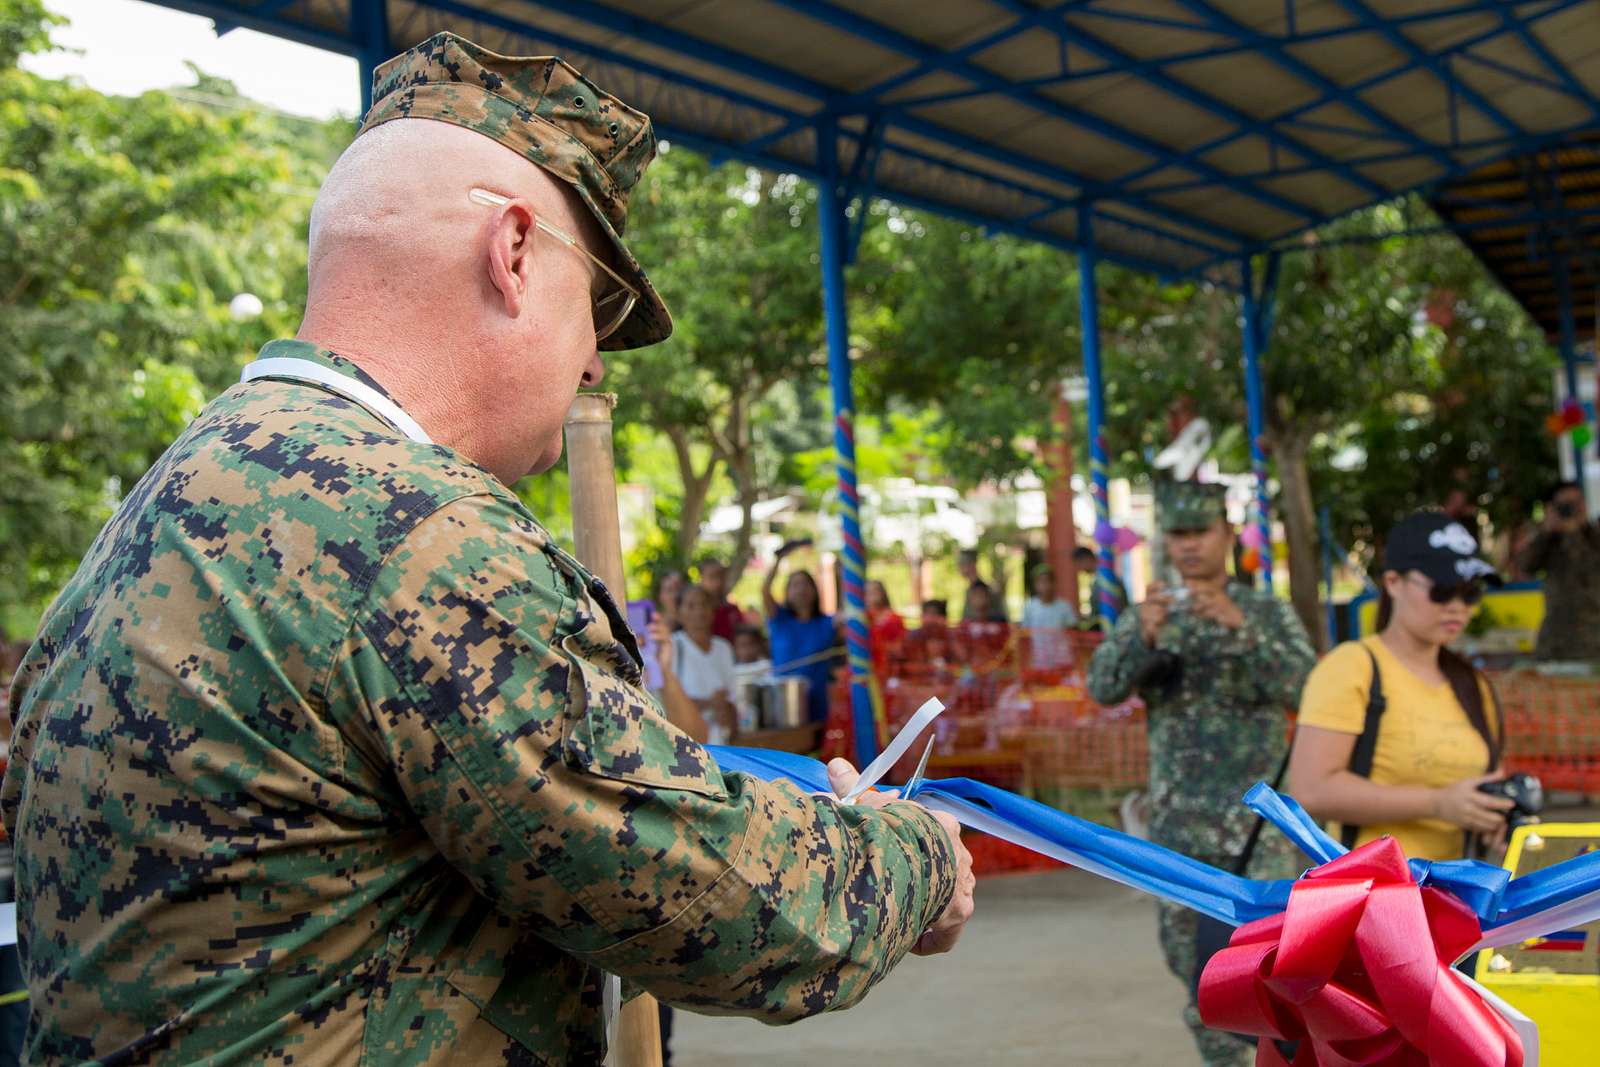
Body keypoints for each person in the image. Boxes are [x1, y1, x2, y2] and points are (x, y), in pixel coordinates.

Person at [0, 34, 974, 1066]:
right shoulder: (412, 533)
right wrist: (914, 857)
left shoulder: (178, 501)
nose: (596, 360)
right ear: (513, 252)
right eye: (595, 305)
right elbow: (703, 896)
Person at [1087, 481, 1315, 1067]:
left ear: (1227, 534)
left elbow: (1308, 689)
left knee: (1274, 972)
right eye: (1177, 535)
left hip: (1259, 832)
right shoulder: (1154, 611)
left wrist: (1242, 628)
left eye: (1200, 532)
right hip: (1179, 833)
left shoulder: (1264, 609)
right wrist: (1143, 635)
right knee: (1198, 977)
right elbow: (1103, 686)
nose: (1188, 547)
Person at [1289, 511, 1515, 861]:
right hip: (1371, 898)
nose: (1457, 606)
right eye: (1442, 590)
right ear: (1393, 583)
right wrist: (1437, 804)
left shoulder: (1473, 684)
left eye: (1471, 593)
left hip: (1457, 900)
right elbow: (1310, 789)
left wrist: (1496, 819)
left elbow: (1487, 786)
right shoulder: (1352, 667)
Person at [1517, 481, 1600, 662]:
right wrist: (1546, 532)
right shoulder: (1549, 539)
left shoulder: (1595, 537)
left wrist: (1574, 533)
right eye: (1565, 505)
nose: (1573, 510)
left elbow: (1586, 569)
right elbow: (1524, 566)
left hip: (1593, 638)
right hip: (1555, 638)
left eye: (1577, 503)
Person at [762, 540, 838, 723]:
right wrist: (778, 560)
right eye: (795, 586)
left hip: (817, 704)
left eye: (805, 585)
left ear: (814, 590)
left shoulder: (828, 623)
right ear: (787, 592)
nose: (801, 590)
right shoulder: (779, 619)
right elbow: (765, 590)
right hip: (783, 703)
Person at [672, 585, 740, 743]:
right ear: (679, 613)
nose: (699, 612)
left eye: (704, 604)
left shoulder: (723, 648)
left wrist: (726, 709)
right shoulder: (672, 646)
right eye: (691, 606)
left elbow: (733, 698)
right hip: (685, 744)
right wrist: (711, 703)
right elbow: (668, 701)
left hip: (721, 745)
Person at [1021, 564, 1077, 670]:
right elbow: (1025, 635)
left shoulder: (1064, 606)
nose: (1045, 585)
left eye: (1047, 581)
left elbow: (1073, 634)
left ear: (1054, 583)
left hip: (1062, 660)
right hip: (1039, 661)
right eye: (1041, 581)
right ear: (1035, 585)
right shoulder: (1029, 606)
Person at [864, 579, 908, 679]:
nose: (872, 595)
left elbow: (900, 647)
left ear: (882, 593)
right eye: (868, 592)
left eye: (875, 591)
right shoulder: (861, 619)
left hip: (888, 667)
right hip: (868, 665)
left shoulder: (894, 618)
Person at [1075, 544, 1129, 619]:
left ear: (1086, 559)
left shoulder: (1105, 577)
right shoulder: (1099, 578)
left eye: (1079, 564)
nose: (1080, 569)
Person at [698, 557, 743, 643]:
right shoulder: (693, 613)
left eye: (721, 576)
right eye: (712, 577)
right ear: (701, 579)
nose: (718, 582)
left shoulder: (732, 610)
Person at [958, 548, 1006, 622]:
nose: (959, 569)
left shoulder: (989, 590)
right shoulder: (968, 590)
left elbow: (999, 617)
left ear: (972, 565)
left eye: (961, 565)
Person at [654, 568, 687, 633]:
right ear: (661, 595)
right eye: (669, 590)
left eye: (678, 589)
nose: (675, 595)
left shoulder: (695, 622)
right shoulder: (654, 624)